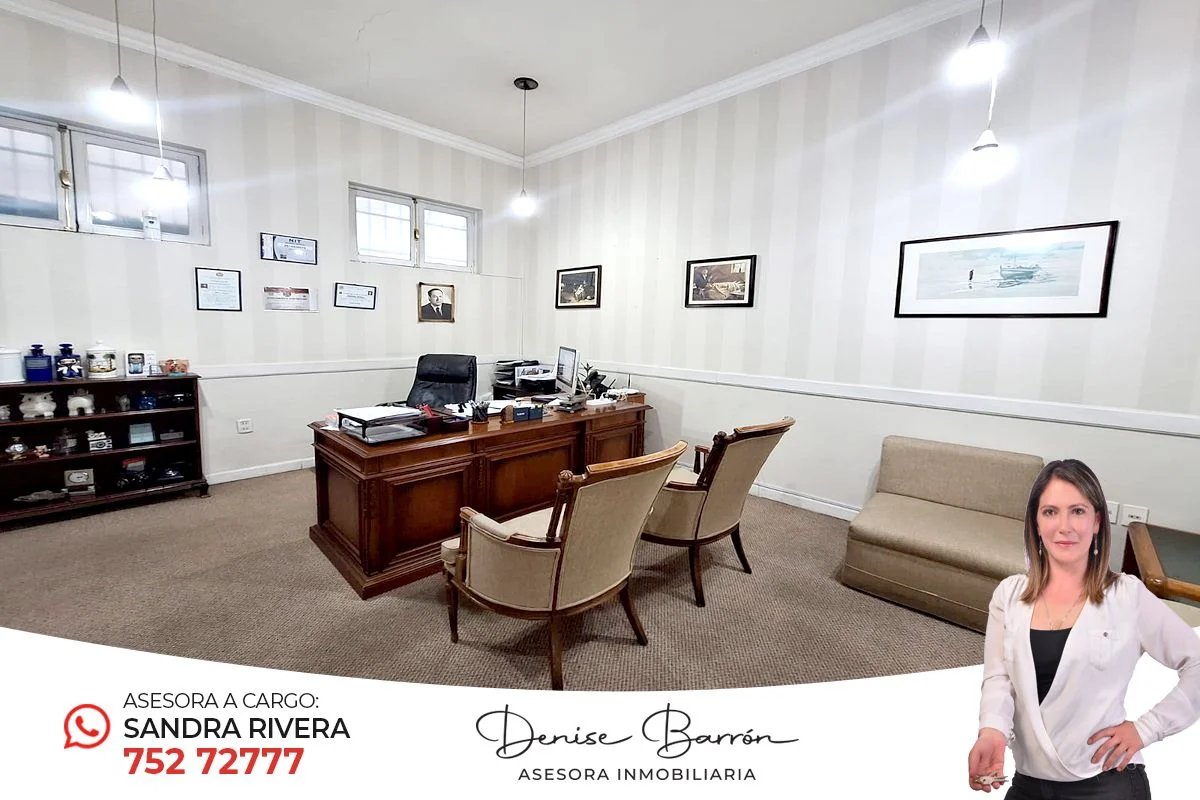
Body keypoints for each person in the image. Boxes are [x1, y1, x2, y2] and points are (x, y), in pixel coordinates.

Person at [968, 459, 1200, 798]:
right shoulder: (1009, 595)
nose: (1064, 526)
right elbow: (998, 678)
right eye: (1050, 512)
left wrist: (1147, 729)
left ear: (1096, 522)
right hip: (1030, 779)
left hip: (1105, 778)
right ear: (1036, 523)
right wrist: (992, 731)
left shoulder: (1127, 596)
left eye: (1077, 511)